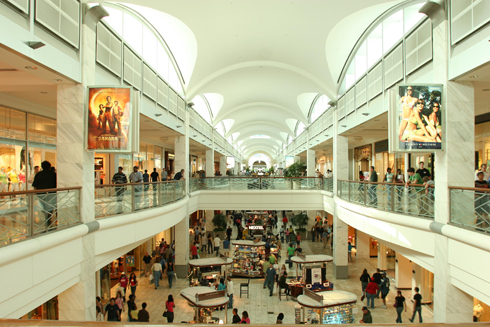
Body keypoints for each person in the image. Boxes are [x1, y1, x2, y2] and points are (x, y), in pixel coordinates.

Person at [32, 161, 57, 231]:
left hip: (41, 193)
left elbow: (35, 185)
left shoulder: (38, 174)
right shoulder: (53, 174)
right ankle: (48, 216)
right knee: (50, 205)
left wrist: (35, 193)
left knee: (44, 205)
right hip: (52, 193)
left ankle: (47, 216)